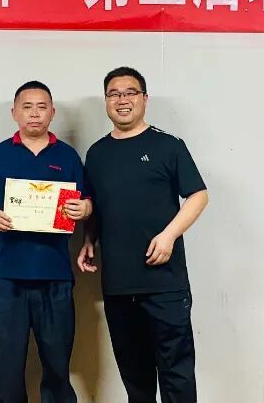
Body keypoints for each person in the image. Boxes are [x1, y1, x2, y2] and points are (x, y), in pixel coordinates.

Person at [78, 66, 209, 403]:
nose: (122, 100)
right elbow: (96, 205)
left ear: (144, 99)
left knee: (177, 374)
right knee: (135, 379)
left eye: (130, 93)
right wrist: (89, 240)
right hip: (119, 285)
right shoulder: (97, 153)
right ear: (106, 101)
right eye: (114, 94)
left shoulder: (168, 145)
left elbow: (198, 195)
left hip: (165, 282)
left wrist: (169, 236)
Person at [0, 80, 93, 403]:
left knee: (57, 366)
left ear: (52, 113)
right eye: (27, 107)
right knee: (6, 367)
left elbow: (87, 201)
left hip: (56, 275)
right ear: (14, 113)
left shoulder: (68, 157)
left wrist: (84, 208)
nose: (34, 114)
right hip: (8, 277)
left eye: (41, 107)